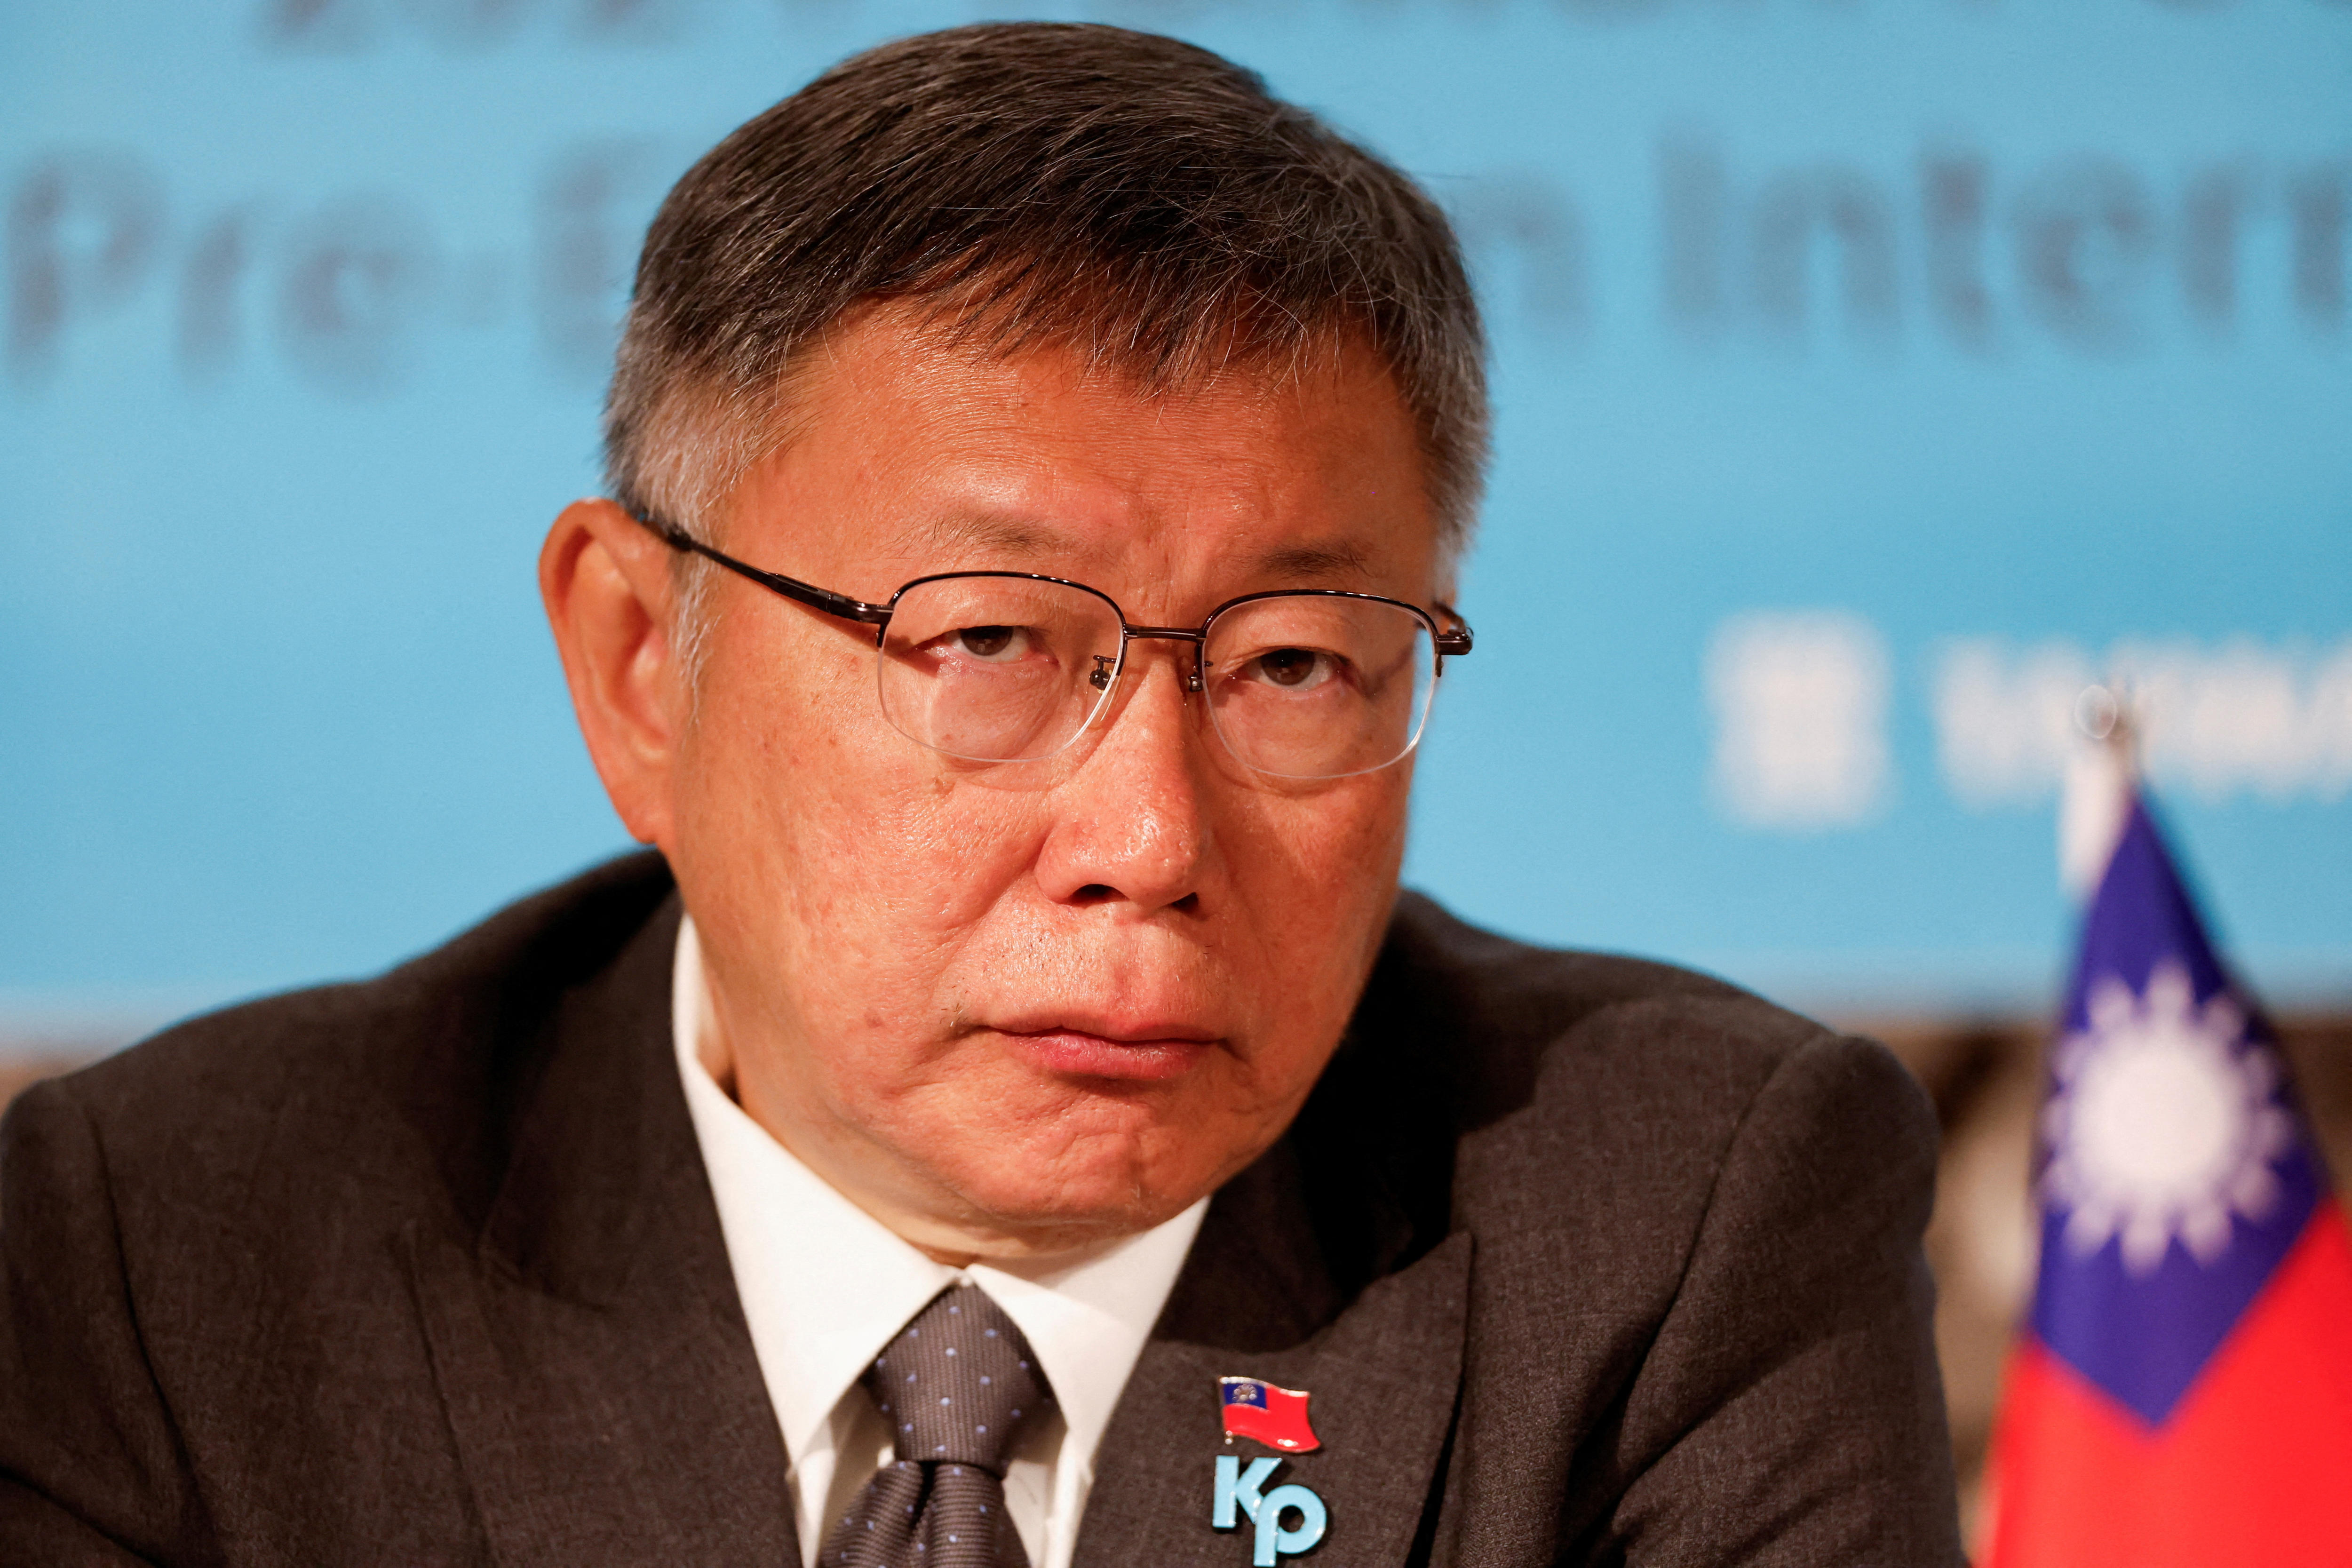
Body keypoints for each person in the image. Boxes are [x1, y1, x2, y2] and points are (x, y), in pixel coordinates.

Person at [0, 23, 1961, 1567]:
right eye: (993, 643)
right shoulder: (176, 1265)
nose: (1149, 846)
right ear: (639, 664)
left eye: (1293, 664)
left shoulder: (1675, 1230)